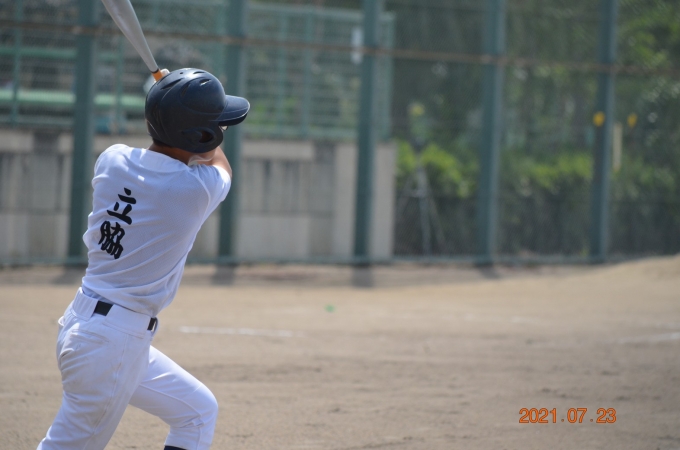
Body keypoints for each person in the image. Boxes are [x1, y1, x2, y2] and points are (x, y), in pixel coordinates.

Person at [38, 68, 249, 450]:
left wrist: (170, 107)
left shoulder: (112, 158)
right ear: (202, 135)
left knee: (197, 412)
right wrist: (189, 118)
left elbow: (171, 151)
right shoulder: (194, 190)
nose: (222, 129)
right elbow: (219, 163)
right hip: (111, 342)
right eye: (218, 126)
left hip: (88, 325)